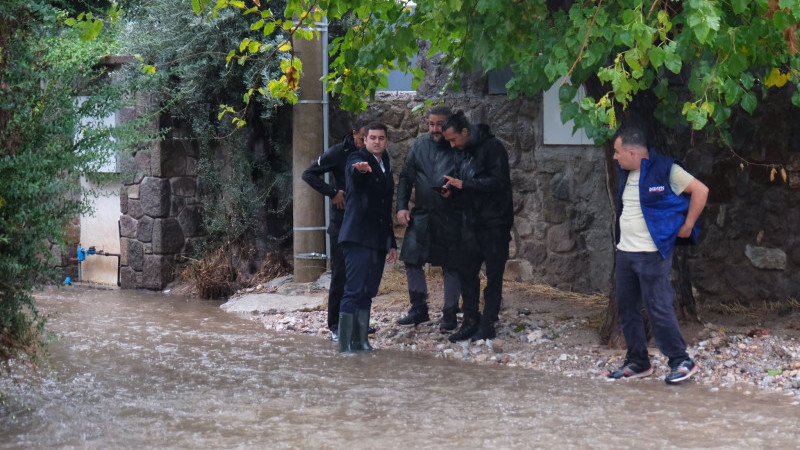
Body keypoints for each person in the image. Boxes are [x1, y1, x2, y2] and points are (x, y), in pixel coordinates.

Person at [607, 125, 709, 385]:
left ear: (632, 153)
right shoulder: (625, 172)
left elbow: (701, 191)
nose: (614, 157)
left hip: (652, 253)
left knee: (658, 307)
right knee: (627, 308)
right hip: (625, 253)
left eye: (617, 152)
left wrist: (687, 226)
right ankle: (638, 361)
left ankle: (681, 360)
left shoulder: (666, 169)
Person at [441, 111, 514, 342]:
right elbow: (459, 180)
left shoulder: (493, 147)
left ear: (465, 131)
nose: (452, 145)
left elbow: (499, 181)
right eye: (448, 142)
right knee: (466, 272)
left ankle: (488, 321)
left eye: (453, 139)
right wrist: (450, 189)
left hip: (494, 222)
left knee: (494, 275)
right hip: (469, 221)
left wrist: (466, 184)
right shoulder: (461, 152)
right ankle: (470, 318)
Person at [395, 106, 463, 331]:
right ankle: (418, 309)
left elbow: (467, 179)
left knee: (452, 264)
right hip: (422, 214)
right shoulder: (420, 145)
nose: (435, 129)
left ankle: (450, 313)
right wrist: (402, 207)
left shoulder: (457, 148)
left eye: (440, 124)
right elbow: (406, 176)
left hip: (450, 214)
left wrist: (453, 193)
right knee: (412, 259)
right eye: (431, 124)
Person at [301, 119, 369, 342]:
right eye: (362, 139)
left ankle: (359, 321)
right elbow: (308, 173)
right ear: (354, 134)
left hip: (364, 223)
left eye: (368, 140)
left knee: (361, 275)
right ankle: (334, 324)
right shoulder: (339, 152)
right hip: (341, 223)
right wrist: (332, 192)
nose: (365, 144)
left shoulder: (374, 154)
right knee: (340, 275)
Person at [337, 122, 398, 353]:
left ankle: (361, 341)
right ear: (365, 140)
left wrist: (390, 242)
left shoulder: (386, 163)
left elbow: (385, 208)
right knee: (353, 290)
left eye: (381, 138)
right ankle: (345, 346)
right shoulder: (356, 158)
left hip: (378, 239)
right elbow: (356, 173)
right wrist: (360, 170)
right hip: (357, 236)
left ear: (386, 140)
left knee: (368, 291)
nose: (376, 142)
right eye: (372, 138)